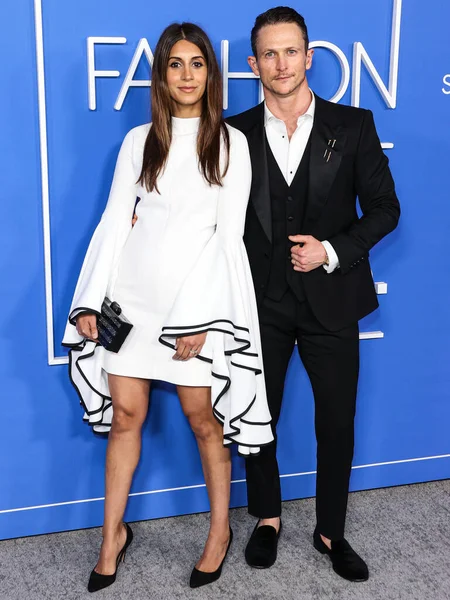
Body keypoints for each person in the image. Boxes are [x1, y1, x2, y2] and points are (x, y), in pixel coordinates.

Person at [62, 22, 273, 592]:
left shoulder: (233, 144)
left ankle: (220, 532)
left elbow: (228, 240)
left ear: (211, 72)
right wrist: (89, 301)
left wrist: (204, 320)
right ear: (161, 74)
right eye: (175, 64)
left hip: (195, 307)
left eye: (197, 63)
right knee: (125, 418)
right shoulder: (138, 141)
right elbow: (113, 225)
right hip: (131, 303)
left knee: (204, 421)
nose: (186, 75)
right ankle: (111, 537)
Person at [226, 6, 400, 582]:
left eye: (291, 51)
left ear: (309, 55)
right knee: (259, 417)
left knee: (337, 420)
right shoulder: (233, 133)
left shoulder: (352, 125)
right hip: (260, 302)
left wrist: (330, 250)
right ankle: (268, 517)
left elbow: (384, 210)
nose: (281, 64)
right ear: (255, 63)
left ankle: (331, 530)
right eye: (269, 54)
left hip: (333, 300)